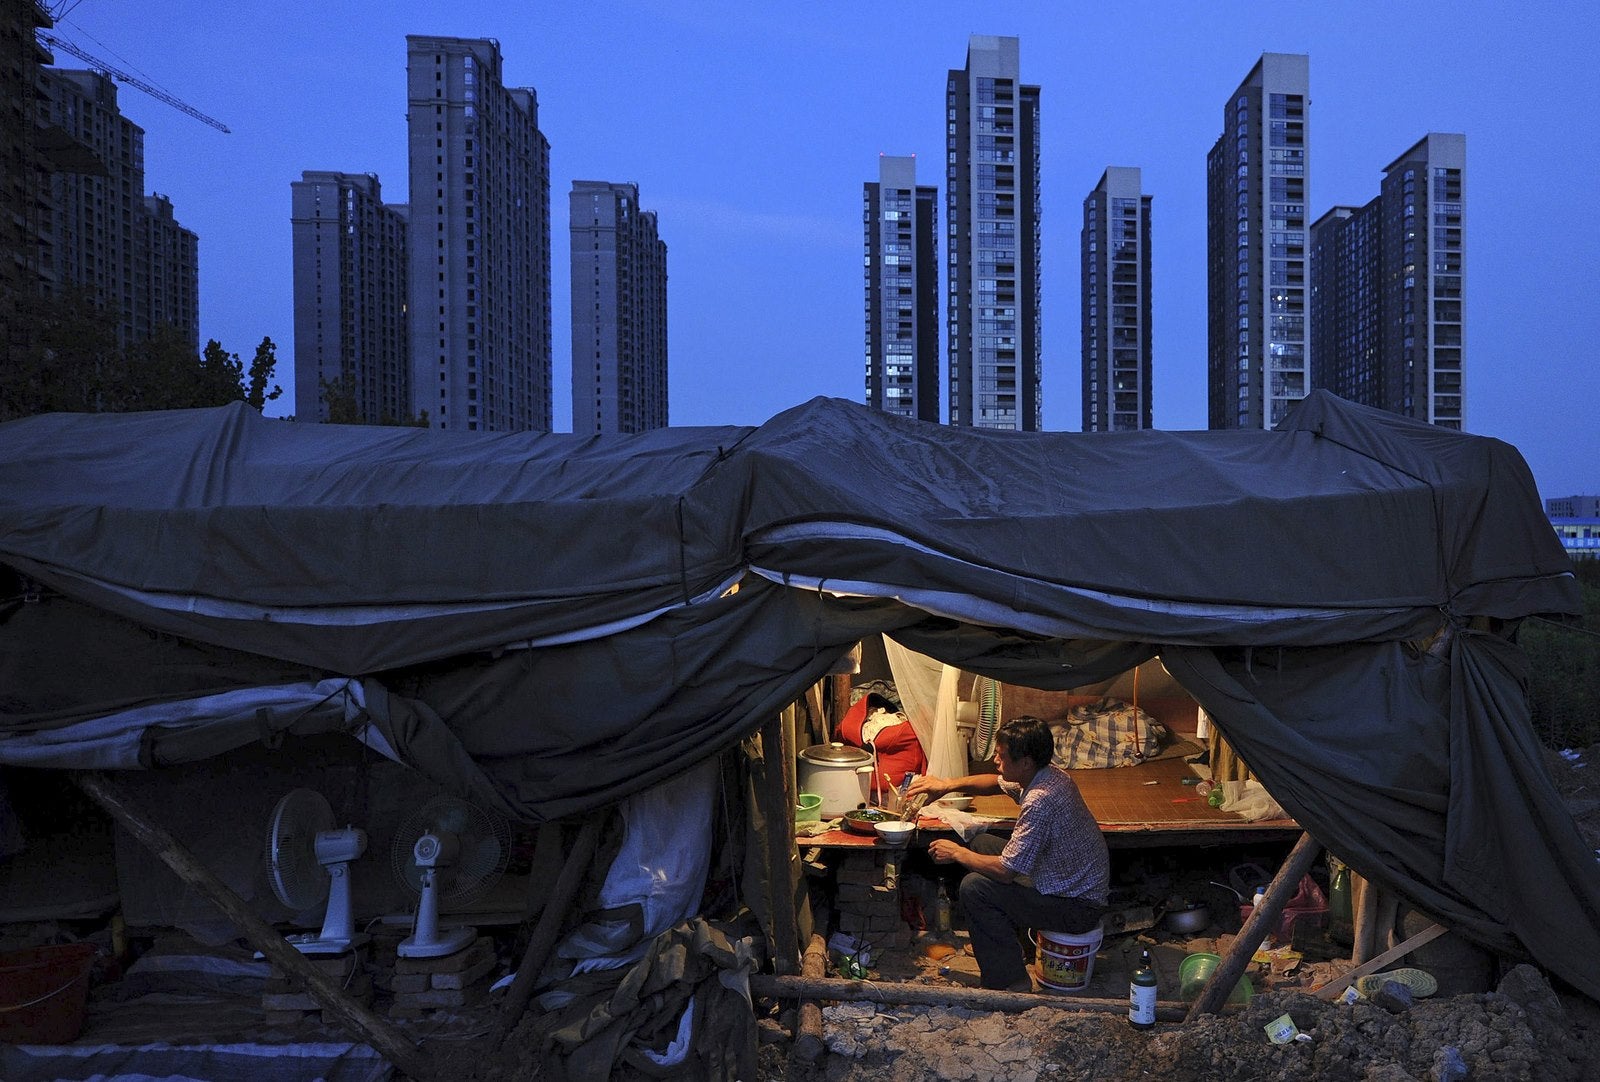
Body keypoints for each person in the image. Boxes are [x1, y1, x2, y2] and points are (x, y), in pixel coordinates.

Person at [905, 715, 1109, 991]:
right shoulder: (1048, 775)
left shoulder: (1040, 800)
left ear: (1025, 762)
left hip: (1076, 905)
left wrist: (955, 853)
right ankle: (1016, 946)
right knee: (983, 844)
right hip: (1061, 879)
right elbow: (994, 782)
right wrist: (946, 785)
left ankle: (1010, 982)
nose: (995, 760)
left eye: (1001, 756)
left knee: (975, 887)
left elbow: (1004, 872)